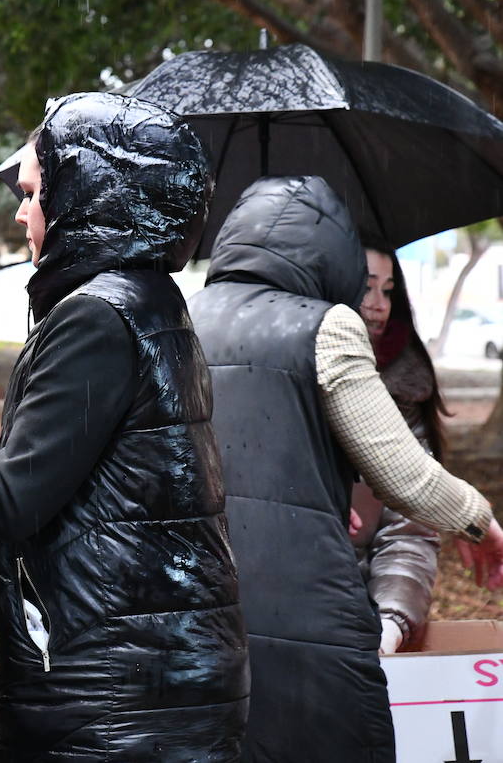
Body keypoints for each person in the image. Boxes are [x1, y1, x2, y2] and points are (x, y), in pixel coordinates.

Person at [0, 93, 249, 760]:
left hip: (110, 693)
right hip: (151, 676)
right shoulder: (145, 299)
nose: (20, 210)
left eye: (35, 192)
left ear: (85, 197)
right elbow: (70, 475)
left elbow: (13, 502)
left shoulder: (95, 315)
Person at [187, 175, 503, 763]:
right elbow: (403, 474)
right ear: (330, 252)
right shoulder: (325, 327)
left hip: (194, 606)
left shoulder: (184, 318)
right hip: (306, 612)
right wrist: (477, 522)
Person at [350, 238, 448, 655]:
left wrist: (390, 622)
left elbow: (410, 525)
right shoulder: (275, 379)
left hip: (360, 622)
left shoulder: (402, 391)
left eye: (387, 290)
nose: (378, 304)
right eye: (365, 287)